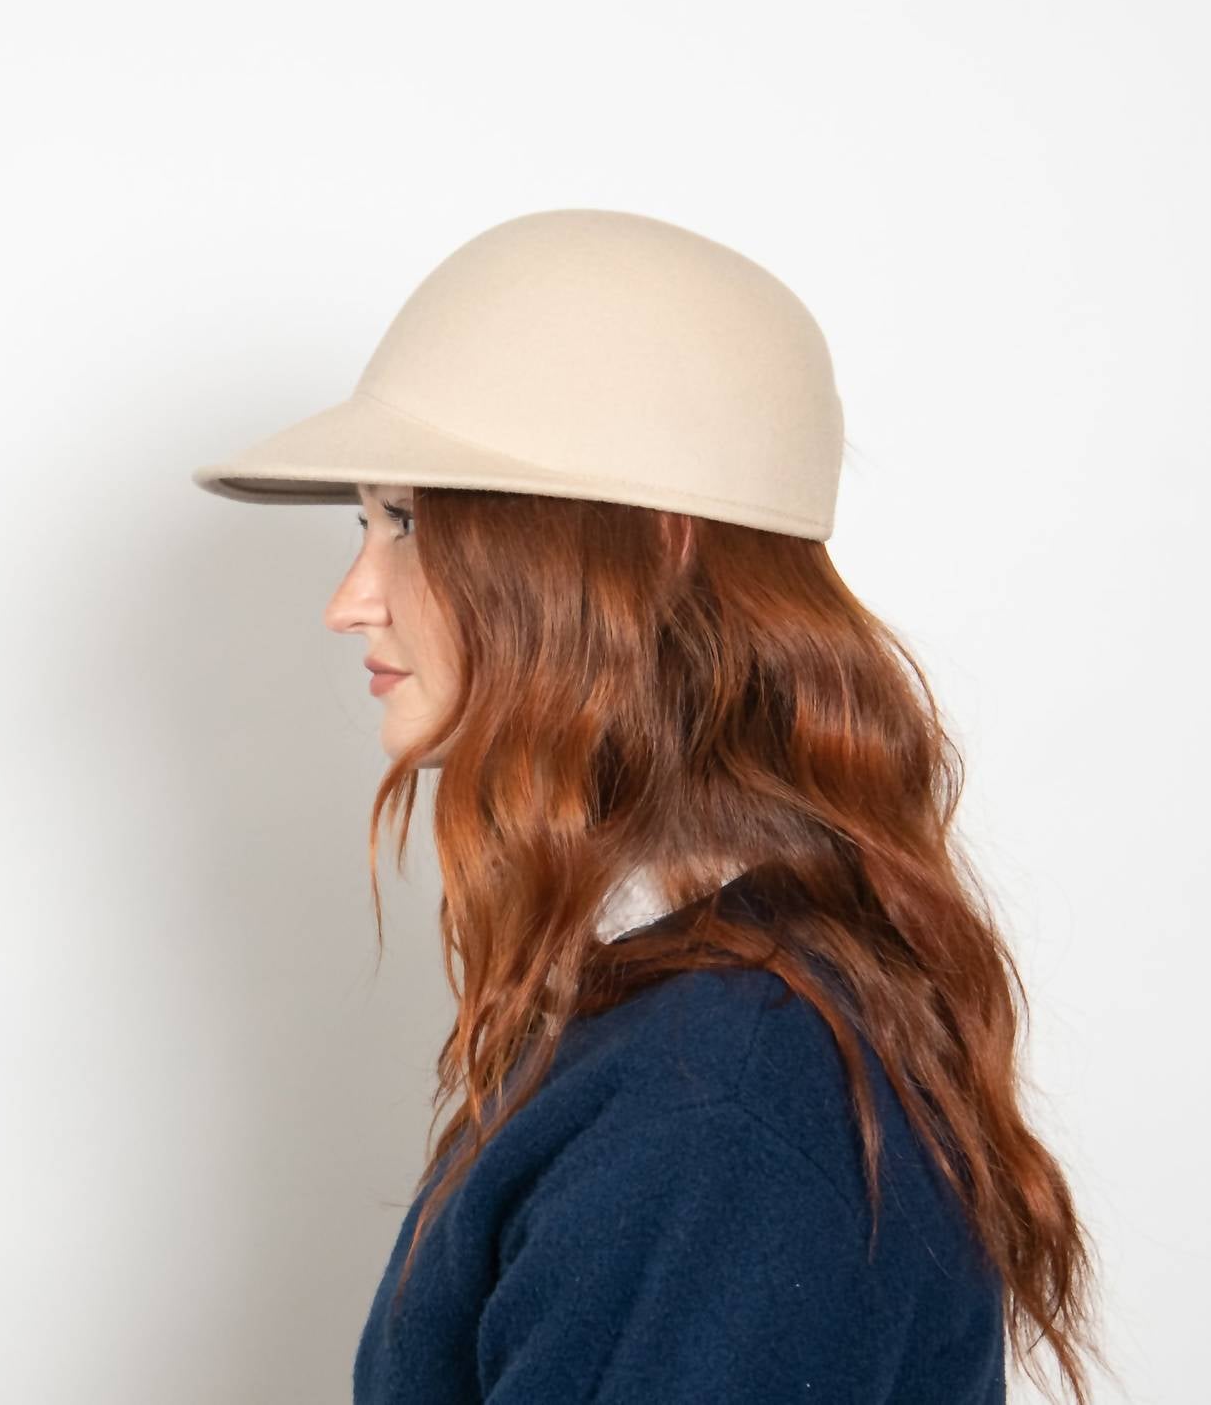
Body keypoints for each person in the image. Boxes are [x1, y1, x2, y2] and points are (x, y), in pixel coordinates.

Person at [191, 209, 1112, 1404]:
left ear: (656, 545)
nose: (350, 600)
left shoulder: (723, 1093)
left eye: (407, 521)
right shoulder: (702, 1022)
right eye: (363, 523)